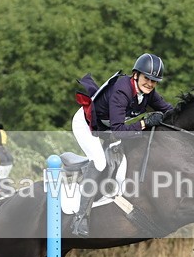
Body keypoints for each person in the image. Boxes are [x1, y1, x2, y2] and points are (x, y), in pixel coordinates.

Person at [70, 53, 174, 237]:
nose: (150, 84)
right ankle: (80, 217)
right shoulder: (122, 91)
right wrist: (144, 123)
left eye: (154, 81)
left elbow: (169, 110)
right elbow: (119, 131)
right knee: (100, 162)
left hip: (107, 127)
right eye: (147, 78)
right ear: (136, 75)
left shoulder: (148, 93)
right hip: (86, 124)